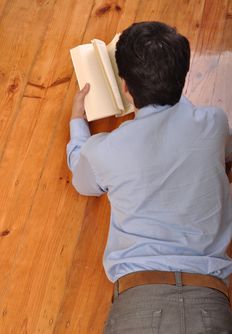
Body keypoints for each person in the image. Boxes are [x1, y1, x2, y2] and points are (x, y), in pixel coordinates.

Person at [67, 22, 232, 334]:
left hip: (138, 302)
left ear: (125, 88)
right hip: (211, 302)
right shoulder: (215, 122)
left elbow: (82, 179)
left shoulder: (106, 150)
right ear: (184, 77)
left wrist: (78, 122)